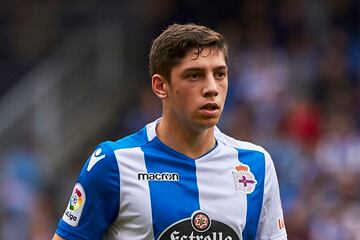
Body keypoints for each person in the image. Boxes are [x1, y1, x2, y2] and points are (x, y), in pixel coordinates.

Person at [53, 23, 287, 240]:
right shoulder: (113, 163)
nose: (211, 88)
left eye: (220, 74)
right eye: (194, 75)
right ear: (160, 86)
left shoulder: (257, 164)